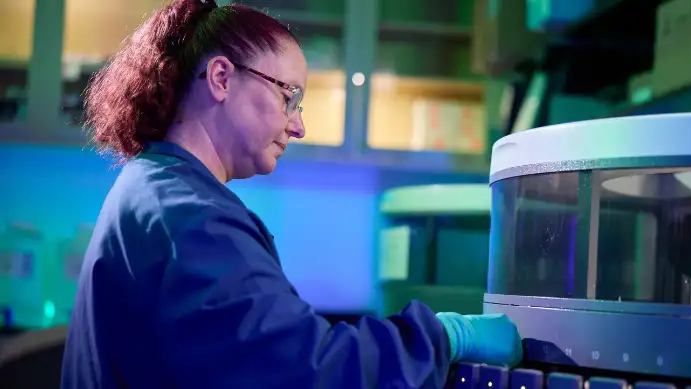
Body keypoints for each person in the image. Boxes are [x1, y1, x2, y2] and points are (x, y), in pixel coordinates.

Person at [59, 1, 523, 388]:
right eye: (288, 97)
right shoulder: (192, 218)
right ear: (221, 78)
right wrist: (445, 336)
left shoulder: (154, 187)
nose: (298, 125)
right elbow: (307, 373)